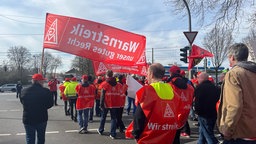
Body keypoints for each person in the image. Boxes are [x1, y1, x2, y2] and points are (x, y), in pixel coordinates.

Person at [129, 63, 191, 144]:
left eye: (147, 73)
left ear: (151, 74)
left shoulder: (146, 91)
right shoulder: (173, 89)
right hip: (169, 136)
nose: (147, 75)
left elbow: (139, 116)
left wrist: (136, 134)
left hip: (149, 137)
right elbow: (180, 113)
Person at [217, 43, 256, 144]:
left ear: (232, 57)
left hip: (241, 133)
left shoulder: (234, 74)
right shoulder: (253, 71)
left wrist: (227, 130)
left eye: (228, 57)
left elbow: (235, 106)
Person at [20, 73, 53, 144]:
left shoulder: (24, 91)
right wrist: (43, 107)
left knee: (30, 138)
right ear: (39, 81)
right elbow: (50, 104)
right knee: (41, 138)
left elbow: (22, 102)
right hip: (41, 117)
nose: (43, 82)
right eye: (43, 81)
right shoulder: (46, 91)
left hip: (28, 118)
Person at [167, 66, 194, 144]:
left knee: (171, 137)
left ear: (171, 73)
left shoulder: (170, 83)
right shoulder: (188, 84)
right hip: (184, 112)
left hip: (172, 113)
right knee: (177, 136)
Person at [194, 72, 219, 144]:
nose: (197, 79)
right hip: (213, 113)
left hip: (203, 114)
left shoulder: (200, 88)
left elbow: (197, 101)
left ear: (202, 78)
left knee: (208, 134)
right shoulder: (215, 88)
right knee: (203, 132)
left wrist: (197, 112)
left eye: (198, 77)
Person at [97, 70, 123, 139]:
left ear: (107, 75)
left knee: (103, 117)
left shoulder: (104, 84)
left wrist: (101, 104)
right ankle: (113, 133)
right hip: (115, 103)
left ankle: (101, 130)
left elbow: (102, 95)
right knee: (113, 118)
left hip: (106, 103)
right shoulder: (119, 85)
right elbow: (121, 94)